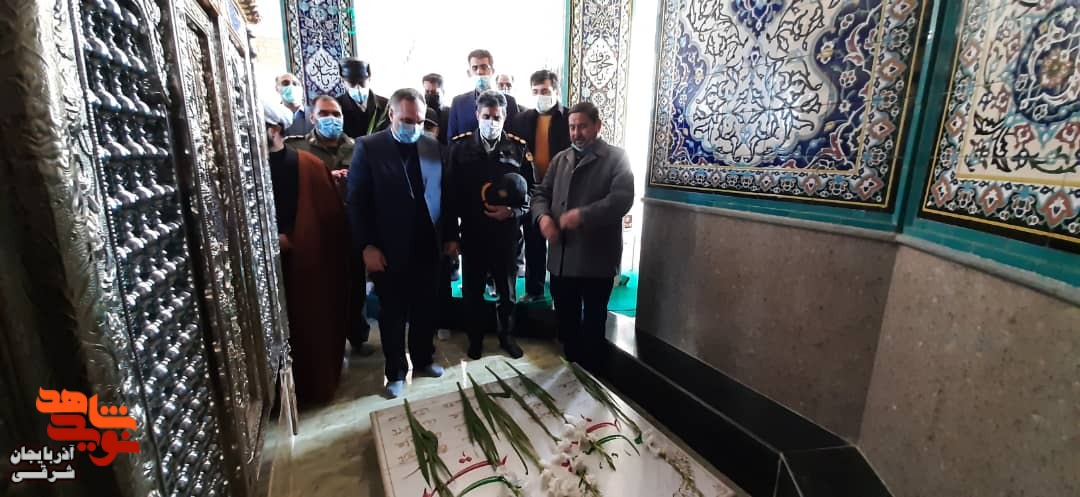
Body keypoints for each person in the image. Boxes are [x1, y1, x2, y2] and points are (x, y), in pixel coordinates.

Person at [347, 88, 446, 398]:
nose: (413, 127)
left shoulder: (432, 146)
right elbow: (357, 201)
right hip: (387, 249)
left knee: (425, 309)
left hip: (427, 245)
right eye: (407, 120)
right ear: (391, 115)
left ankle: (424, 359)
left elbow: (443, 193)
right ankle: (396, 372)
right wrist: (367, 246)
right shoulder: (368, 147)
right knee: (393, 313)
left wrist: (450, 238)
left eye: (419, 121)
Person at [531, 101, 633, 369]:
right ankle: (571, 368)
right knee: (566, 321)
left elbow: (622, 199)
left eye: (583, 126)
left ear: (597, 126)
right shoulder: (560, 159)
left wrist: (583, 215)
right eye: (572, 127)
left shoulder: (616, 158)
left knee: (594, 322)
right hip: (562, 258)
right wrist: (543, 217)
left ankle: (592, 373)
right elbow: (540, 193)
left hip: (595, 259)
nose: (577, 133)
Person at [263, 100, 349, 406]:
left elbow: (331, 224)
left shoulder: (308, 167)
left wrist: (294, 238)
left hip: (305, 266)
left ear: (274, 130)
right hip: (259, 273)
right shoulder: (241, 169)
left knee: (310, 329)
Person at [444, 90, 533, 360]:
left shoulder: (518, 148)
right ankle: (475, 338)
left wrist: (513, 211)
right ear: (477, 115)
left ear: (505, 117)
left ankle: (506, 336)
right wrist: (451, 235)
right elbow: (449, 196)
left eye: (497, 117)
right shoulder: (459, 148)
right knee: (472, 291)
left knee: (507, 292)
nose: (491, 122)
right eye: (486, 116)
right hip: (472, 232)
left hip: (506, 234)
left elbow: (532, 194)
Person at [284, 95, 374, 355]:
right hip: (317, 229)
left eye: (336, 114)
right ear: (312, 117)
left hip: (350, 227)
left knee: (355, 285)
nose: (331, 119)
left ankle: (358, 336)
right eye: (324, 114)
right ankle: (327, 343)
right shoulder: (298, 149)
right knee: (321, 289)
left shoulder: (358, 147)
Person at [510, 70, 571, 303]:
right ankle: (534, 290)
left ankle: (560, 293)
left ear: (556, 90)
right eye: (535, 91)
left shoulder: (569, 118)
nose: (540, 96)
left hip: (562, 190)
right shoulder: (521, 120)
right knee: (533, 241)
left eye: (545, 91)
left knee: (561, 243)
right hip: (532, 190)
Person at [447, 50, 520, 138]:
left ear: (492, 71)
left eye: (484, 67)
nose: (479, 72)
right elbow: (451, 138)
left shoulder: (509, 101)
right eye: (475, 68)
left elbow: (515, 136)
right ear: (469, 73)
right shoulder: (459, 103)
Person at [337, 58, 390, 138]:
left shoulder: (385, 104)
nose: (358, 87)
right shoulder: (336, 106)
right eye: (352, 83)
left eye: (362, 82)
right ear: (343, 82)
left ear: (369, 79)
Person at [422, 73, 451, 144]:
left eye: (433, 92)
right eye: (427, 92)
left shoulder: (450, 113)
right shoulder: (420, 113)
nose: (429, 95)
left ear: (442, 92)